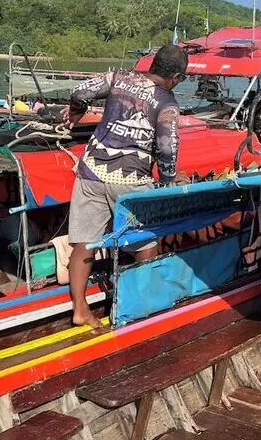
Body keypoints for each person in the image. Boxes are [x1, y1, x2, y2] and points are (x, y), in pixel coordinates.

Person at [63, 44, 188, 330]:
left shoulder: (118, 77)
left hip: (92, 171)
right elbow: (167, 149)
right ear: (177, 77)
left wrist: (75, 112)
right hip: (131, 182)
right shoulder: (166, 103)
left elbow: (80, 92)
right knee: (145, 243)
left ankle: (80, 310)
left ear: (152, 64)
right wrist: (167, 184)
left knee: (85, 242)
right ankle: (137, 306)